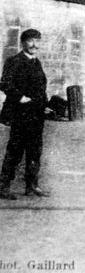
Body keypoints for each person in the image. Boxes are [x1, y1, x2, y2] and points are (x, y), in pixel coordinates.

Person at [0, 29, 51, 199]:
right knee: (15, 151)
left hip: (36, 115)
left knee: (35, 151)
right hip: (20, 114)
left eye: (37, 41)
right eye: (30, 41)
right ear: (23, 43)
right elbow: (5, 84)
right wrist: (20, 98)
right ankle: (3, 186)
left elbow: (40, 88)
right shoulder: (14, 61)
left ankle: (32, 185)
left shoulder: (37, 63)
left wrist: (44, 105)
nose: (34, 45)